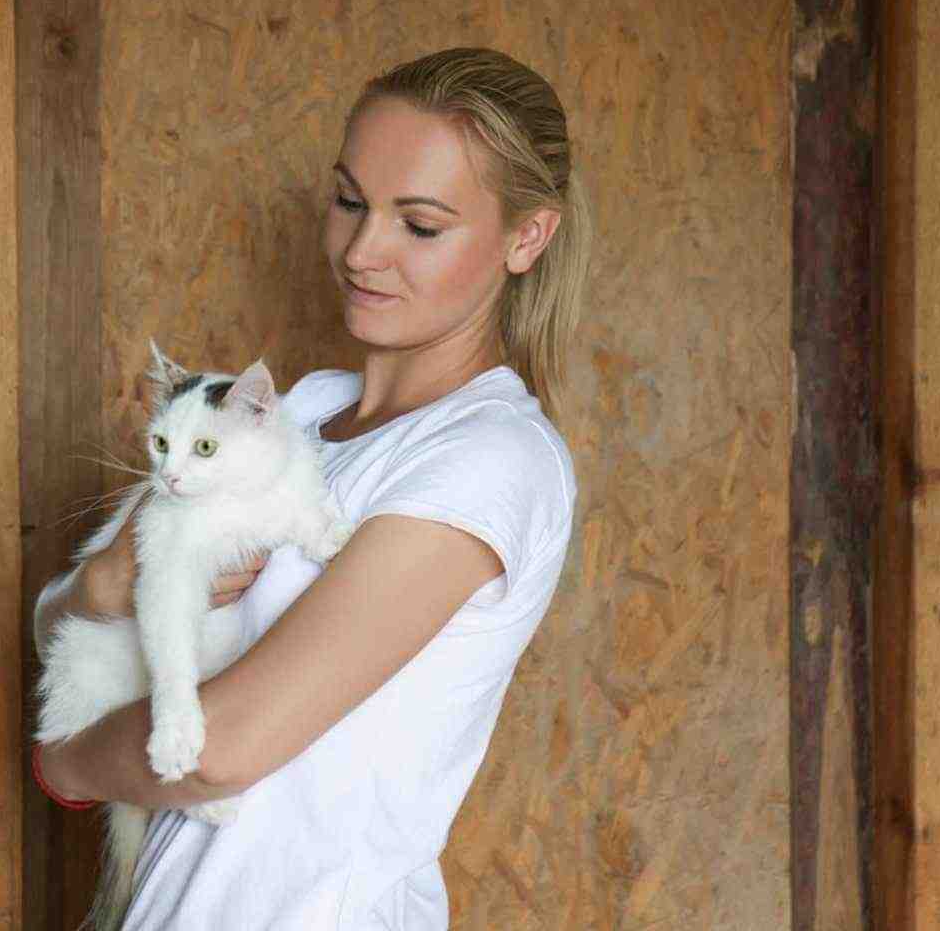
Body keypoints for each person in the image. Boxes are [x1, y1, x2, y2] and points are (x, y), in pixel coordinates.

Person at [33, 46, 591, 930]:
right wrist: (100, 587)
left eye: (420, 224)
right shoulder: (304, 409)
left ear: (527, 238)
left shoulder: (492, 458)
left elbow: (222, 750)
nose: (363, 251)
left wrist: (61, 766)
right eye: (349, 202)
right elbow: (70, 614)